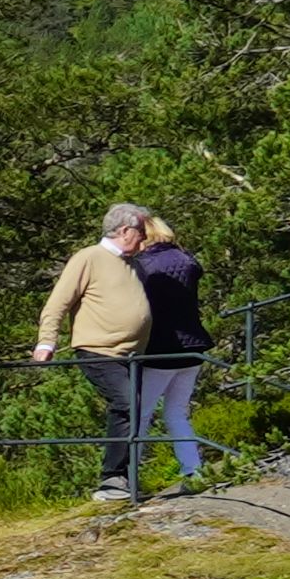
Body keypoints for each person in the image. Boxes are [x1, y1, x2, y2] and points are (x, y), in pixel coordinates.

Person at [34, 202, 161, 502]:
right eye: (141, 233)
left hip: (131, 355)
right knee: (128, 402)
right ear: (125, 230)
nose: (144, 240)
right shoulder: (89, 258)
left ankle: (125, 479)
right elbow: (58, 302)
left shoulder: (132, 264)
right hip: (98, 350)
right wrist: (46, 342)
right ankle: (111, 480)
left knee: (134, 407)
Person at [127, 216, 212, 493]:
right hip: (193, 346)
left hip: (161, 349)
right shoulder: (187, 259)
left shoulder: (142, 266)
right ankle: (194, 472)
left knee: (140, 415)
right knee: (177, 413)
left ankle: (129, 480)